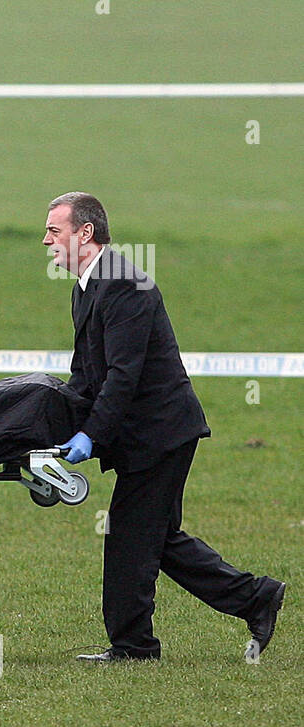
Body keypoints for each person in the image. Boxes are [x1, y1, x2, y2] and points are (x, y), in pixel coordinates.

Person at [43, 191, 285, 662]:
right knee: (159, 538)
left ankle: (134, 647)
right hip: (146, 434)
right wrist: (61, 422)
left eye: (55, 230)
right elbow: (88, 372)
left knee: (130, 540)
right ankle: (256, 597)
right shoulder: (87, 287)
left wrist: (92, 435)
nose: (46, 241)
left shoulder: (126, 285)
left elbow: (123, 376)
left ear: (85, 233)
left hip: (162, 433)